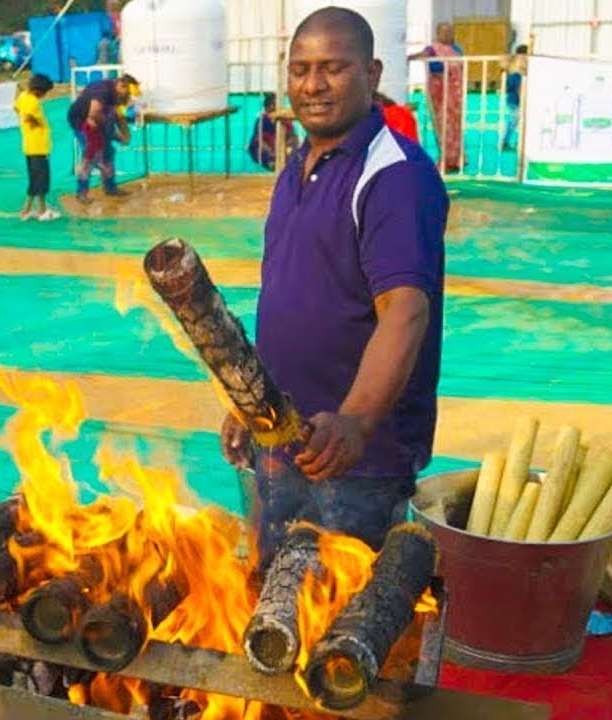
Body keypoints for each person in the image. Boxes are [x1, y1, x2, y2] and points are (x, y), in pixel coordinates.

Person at [221, 7, 448, 567]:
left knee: (342, 626)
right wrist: (251, 403)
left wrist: (357, 420)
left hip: (354, 464)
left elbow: (405, 312)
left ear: (371, 74)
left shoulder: (394, 175)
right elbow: (287, 298)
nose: (312, 85)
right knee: (272, 613)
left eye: (332, 68)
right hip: (279, 443)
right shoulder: (296, 168)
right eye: (299, 69)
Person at [67, 74, 136, 202]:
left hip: (99, 124)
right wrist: (113, 134)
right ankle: (81, 193)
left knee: (108, 153)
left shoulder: (116, 93)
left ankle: (110, 187)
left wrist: (125, 135)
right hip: (84, 124)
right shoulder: (102, 91)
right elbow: (94, 114)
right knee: (91, 158)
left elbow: (118, 115)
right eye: (128, 94)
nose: (128, 97)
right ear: (121, 86)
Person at [409, 22, 465, 173]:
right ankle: (447, 158)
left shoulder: (457, 49)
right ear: (438, 33)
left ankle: (457, 158)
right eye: (444, 31)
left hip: (455, 95)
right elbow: (421, 56)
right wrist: (404, 58)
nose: (447, 34)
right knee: (442, 125)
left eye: (450, 31)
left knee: (455, 126)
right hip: (439, 95)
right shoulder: (432, 49)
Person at [15, 74, 60, 221]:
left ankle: (26, 209)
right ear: (39, 91)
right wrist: (32, 120)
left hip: (28, 145)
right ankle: (42, 211)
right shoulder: (33, 102)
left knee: (34, 179)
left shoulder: (23, 96)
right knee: (41, 179)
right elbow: (29, 115)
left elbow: (16, 108)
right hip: (39, 146)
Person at [247, 92, 297, 170]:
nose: (272, 107)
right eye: (270, 105)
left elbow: (292, 136)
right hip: (267, 149)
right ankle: (272, 164)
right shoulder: (262, 120)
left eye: (274, 105)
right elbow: (259, 141)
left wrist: (289, 147)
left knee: (295, 147)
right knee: (257, 150)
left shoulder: (285, 120)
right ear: (266, 108)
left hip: (282, 148)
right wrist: (273, 153)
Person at [503, 44, 528, 151]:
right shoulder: (519, 69)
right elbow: (518, 88)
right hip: (516, 100)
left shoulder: (514, 67)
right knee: (514, 121)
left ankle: (512, 142)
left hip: (513, 99)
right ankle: (506, 142)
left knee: (514, 121)